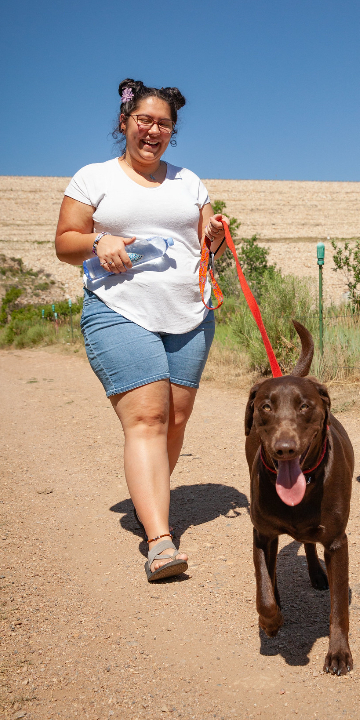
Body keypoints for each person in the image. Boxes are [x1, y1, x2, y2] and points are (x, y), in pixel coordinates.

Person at [55, 78, 227, 580]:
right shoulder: (93, 177)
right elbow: (64, 241)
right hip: (119, 308)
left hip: (191, 314)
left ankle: (147, 495)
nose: (153, 131)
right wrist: (97, 242)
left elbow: (207, 244)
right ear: (125, 122)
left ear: (173, 131)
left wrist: (215, 236)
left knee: (174, 420)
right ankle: (160, 540)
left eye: (164, 124)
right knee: (147, 419)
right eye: (145, 121)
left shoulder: (189, 182)